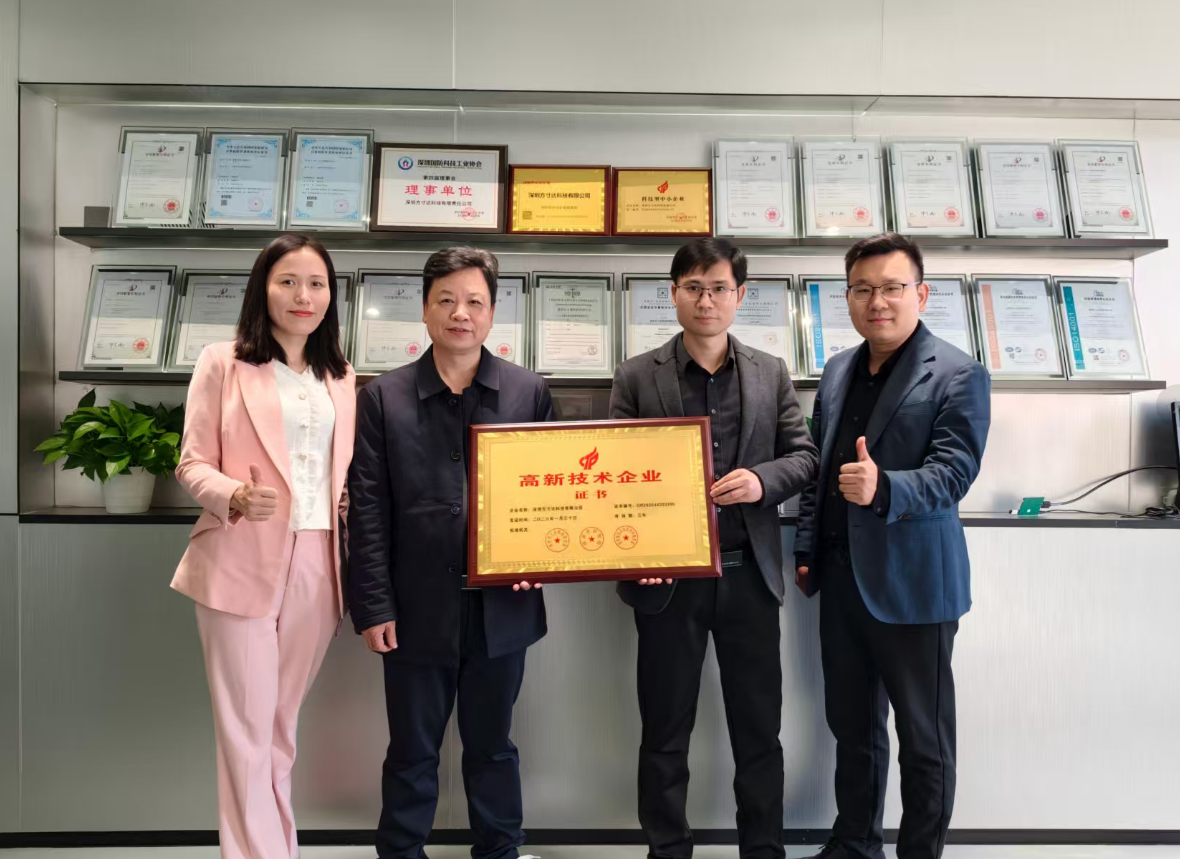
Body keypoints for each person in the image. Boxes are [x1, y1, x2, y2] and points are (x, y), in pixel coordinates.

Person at [610, 237, 819, 859]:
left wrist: (762, 481)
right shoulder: (636, 375)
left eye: (719, 289)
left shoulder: (769, 371)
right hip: (667, 580)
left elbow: (805, 457)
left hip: (749, 576)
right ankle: (667, 850)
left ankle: (764, 849)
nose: (707, 301)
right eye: (694, 288)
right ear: (674, 294)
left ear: (740, 296)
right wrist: (638, 557)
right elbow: (611, 476)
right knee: (664, 730)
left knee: (759, 731)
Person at [348, 247, 551, 859]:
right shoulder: (383, 397)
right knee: (412, 751)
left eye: (474, 302)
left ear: (492, 312)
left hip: (503, 608)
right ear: (425, 309)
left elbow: (554, 498)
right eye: (446, 300)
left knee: (494, 747)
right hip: (415, 609)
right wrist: (374, 606)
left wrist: (540, 562)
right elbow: (368, 510)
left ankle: (500, 851)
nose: (460, 313)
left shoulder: (528, 392)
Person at [794, 233, 991, 859]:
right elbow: (821, 469)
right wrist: (806, 551)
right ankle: (854, 845)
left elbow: (954, 473)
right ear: (848, 296)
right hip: (841, 580)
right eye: (862, 289)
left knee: (923, 739)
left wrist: (885, 487)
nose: (876, 301)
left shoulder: (958, 373)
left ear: (921, 294)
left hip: (914, 585)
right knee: (851, 728)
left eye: (891, 288)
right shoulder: (837, 370)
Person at [171, 234, 356, 859]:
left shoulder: (341, 375)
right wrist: (235, 495)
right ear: (263, 288)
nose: (304, 296)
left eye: (316, 284)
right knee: (246, 731)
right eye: (288, 281)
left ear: (331, 296)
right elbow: (192, 462)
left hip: (319, 562)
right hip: (239, 559)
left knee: (279, 728)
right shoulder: (223, 362)